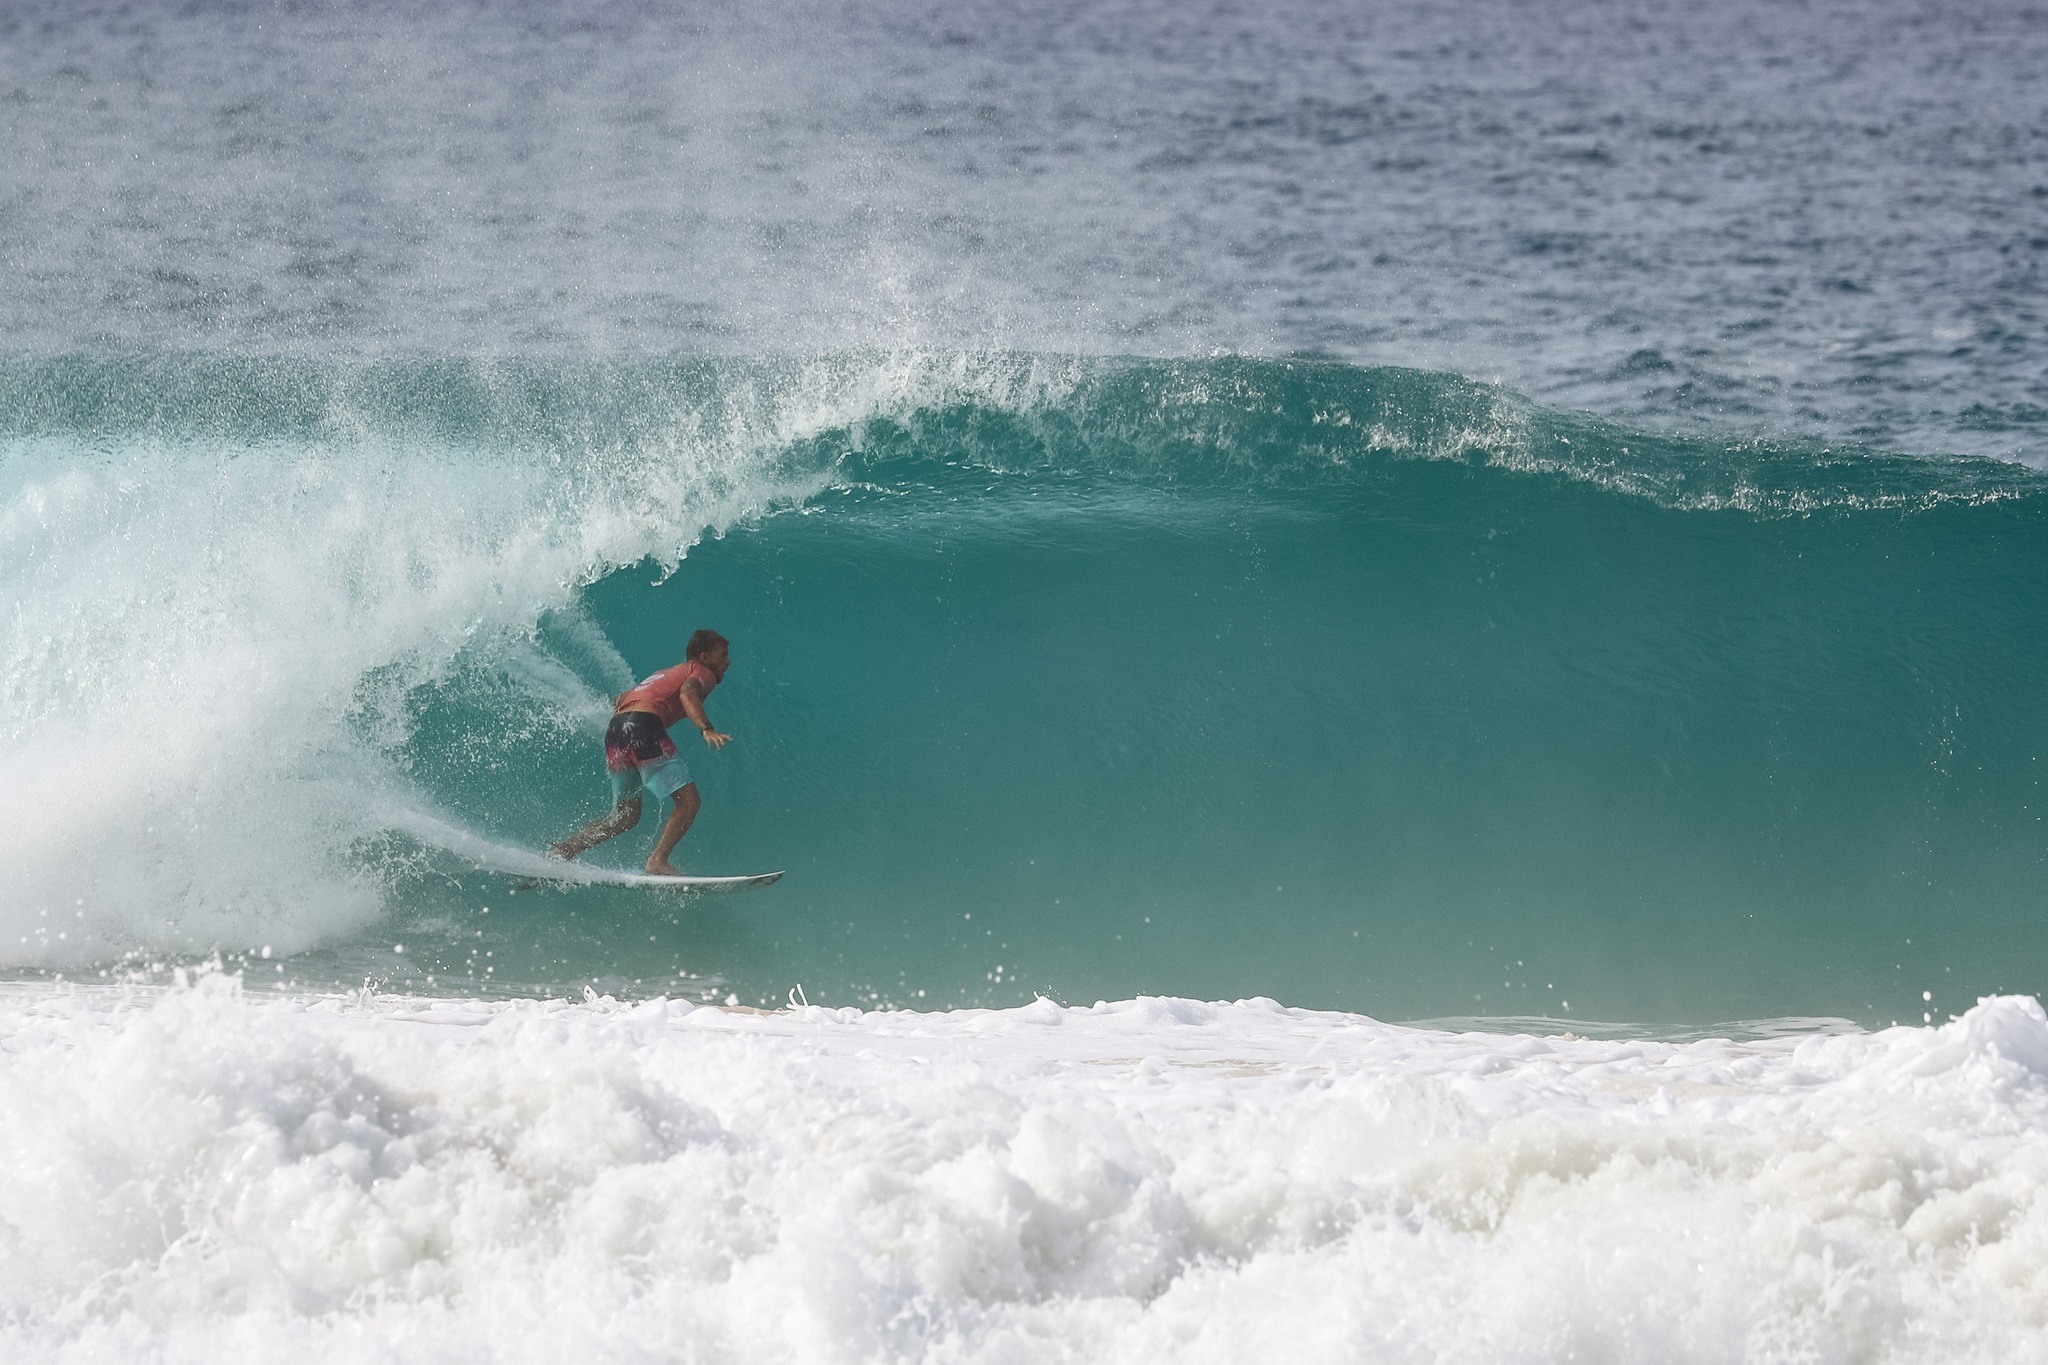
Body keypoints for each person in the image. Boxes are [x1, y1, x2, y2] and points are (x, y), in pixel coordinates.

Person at [550, 629, 733, 876]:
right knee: (689, 803)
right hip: (642, 727)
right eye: (723, 656)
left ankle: (566, 850)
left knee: (624, 816)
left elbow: (621, 698)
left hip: (616, 731)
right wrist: (706, 729)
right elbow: (688, 693)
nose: (727, 662)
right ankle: (657, 861)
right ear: (704, 656)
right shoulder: (702, 672)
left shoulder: (660, 675)